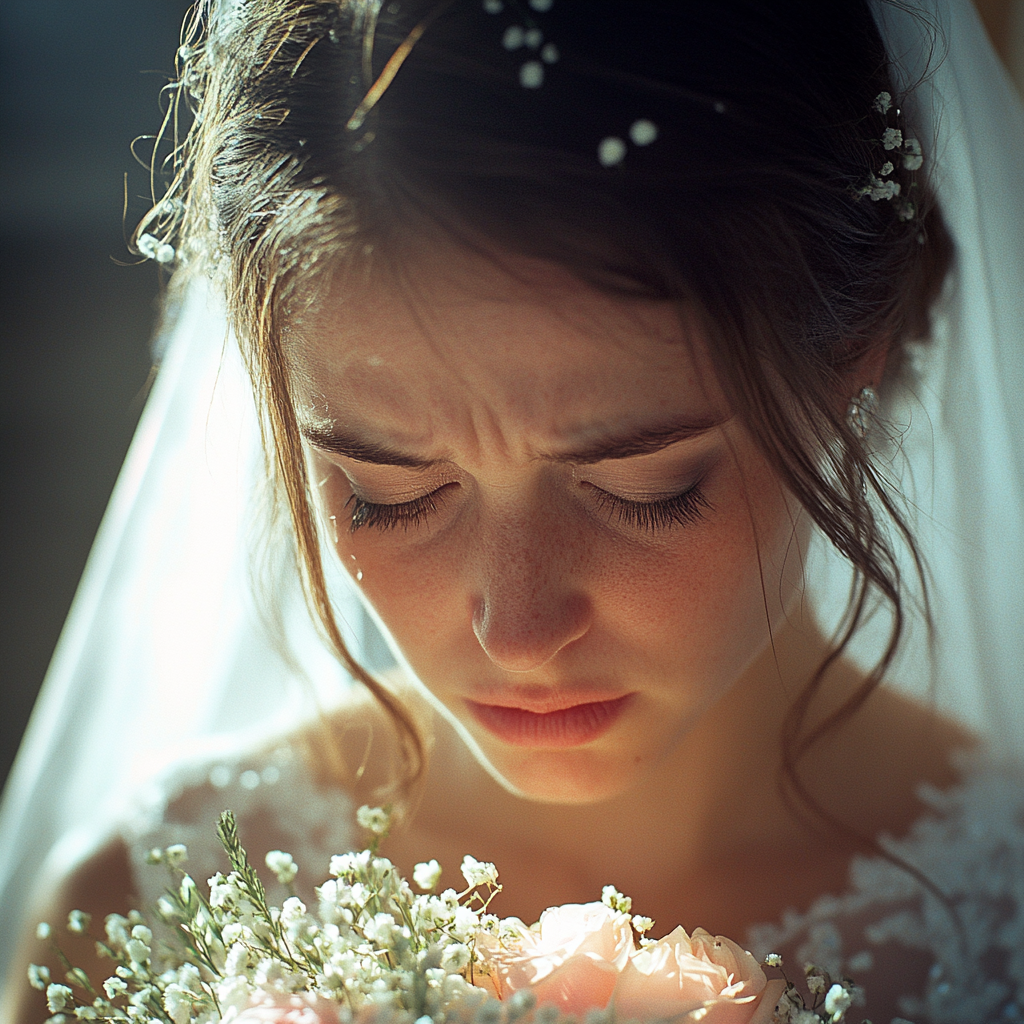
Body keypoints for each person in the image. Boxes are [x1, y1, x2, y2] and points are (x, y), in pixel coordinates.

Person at [3, 1, 1024, 1021]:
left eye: (644, 489)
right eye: (388, 496)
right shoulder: (133, 918)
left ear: (850, 357)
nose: (520, 632)